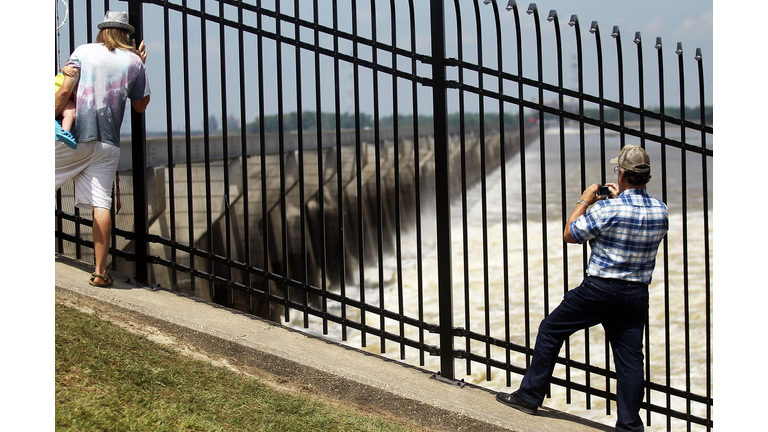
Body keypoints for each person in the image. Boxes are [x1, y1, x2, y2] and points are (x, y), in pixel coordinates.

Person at [496, 145, 669, 432]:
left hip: (599, 289)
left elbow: (570, 233)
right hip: (636, 294)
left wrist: (585, 200)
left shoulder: (608, 208)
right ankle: (629, 425)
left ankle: (529, 396)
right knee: (630, 360)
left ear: (622, 174)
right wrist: (618, 200)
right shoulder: (660, 210)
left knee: (551, 330)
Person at [55, 10, 151, 287]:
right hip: (107, 143)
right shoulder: (134, 62)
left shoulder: (84, 52)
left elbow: (64, 91)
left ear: (103, 31)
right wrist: (141, 66)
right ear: (127, 36)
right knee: (101, 203)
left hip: (77, 136)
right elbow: (140, 106)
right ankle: (99, 271)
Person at [55, 65, 79, 149]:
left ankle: (64, 131)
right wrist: (66, 69)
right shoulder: (72, 69)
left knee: (70, 113)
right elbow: (66, 68)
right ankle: (65, 131)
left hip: (63, 96)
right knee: (71, 113)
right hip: (58, 92)